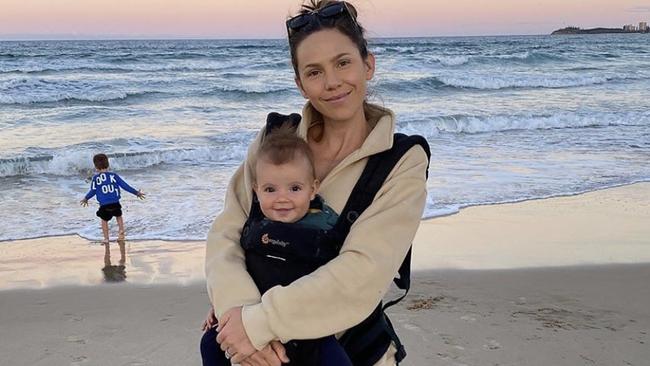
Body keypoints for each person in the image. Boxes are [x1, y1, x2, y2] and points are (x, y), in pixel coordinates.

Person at [205, 1, 429, 365]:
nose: (332, 82)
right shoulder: (275, 139)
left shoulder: (400, 161)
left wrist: (260, 323)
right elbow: (226, 233)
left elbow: (361, 274)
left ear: (368, 64)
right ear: (300, 84)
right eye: (314, 72)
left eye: (343, 63)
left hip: (347, 353)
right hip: (256, 354)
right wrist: (240, 316)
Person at [200, 121, 353, 365]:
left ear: (313, 189)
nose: (282, 198)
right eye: (270, 189)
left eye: (294, 188)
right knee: (210, 342)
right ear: (256, 191)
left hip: (306, 328)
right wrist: (220, 305)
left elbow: (339, 278)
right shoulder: (253, 227)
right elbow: (236, 268)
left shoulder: (324, 226)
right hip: (252, 315)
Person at [81, 153, 145, 245]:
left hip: (104, 205)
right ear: (108, 164)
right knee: (118, 216)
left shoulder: (95, 178)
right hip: (115, 203)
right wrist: (136, 193)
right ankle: (121, 232)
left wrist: (86, 198)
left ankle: (106, 238)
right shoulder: (114, 176)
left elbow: (93, 191)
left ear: (95, 167)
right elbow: (125, 186)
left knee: (104, 220)